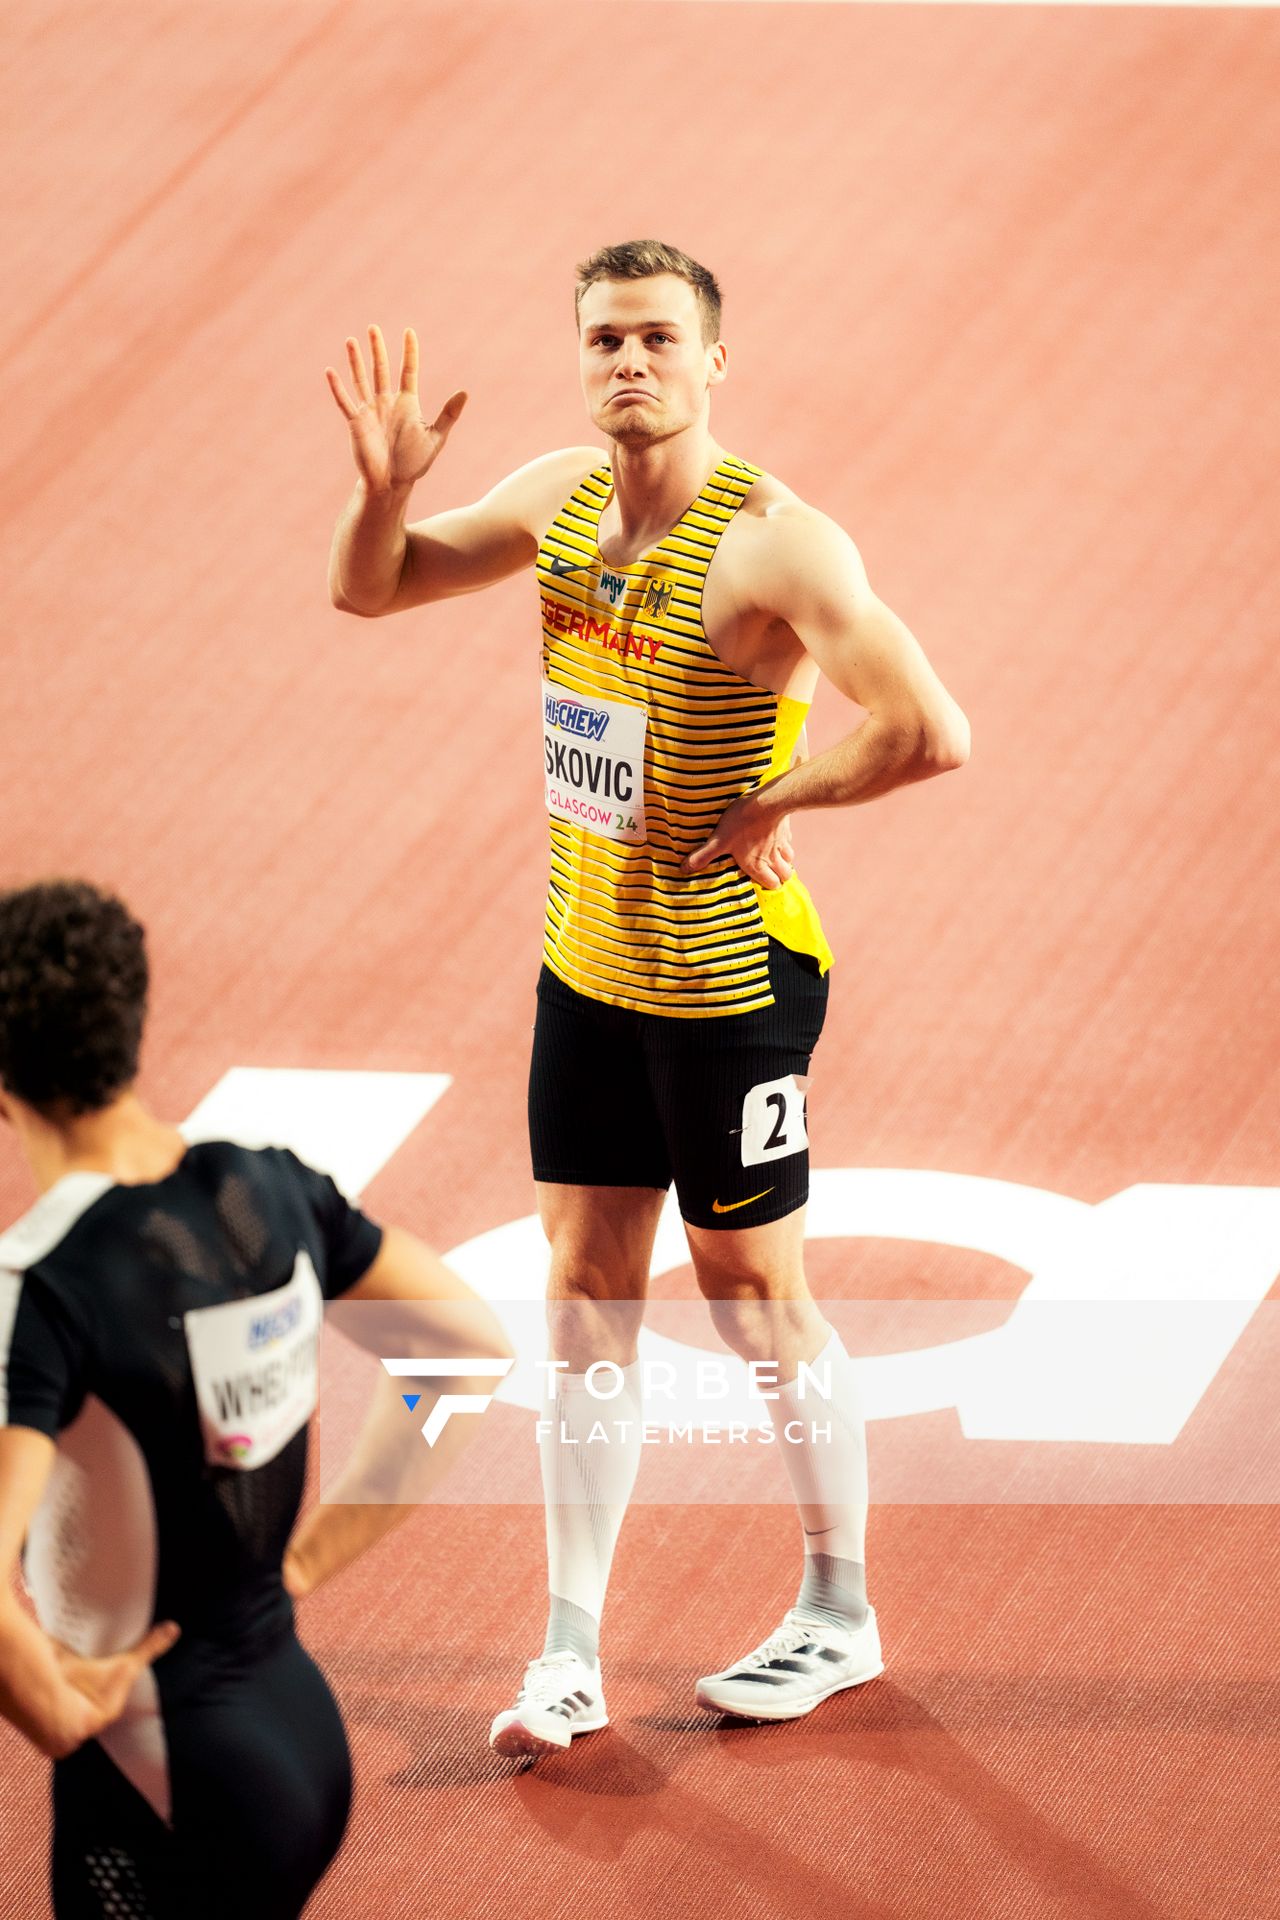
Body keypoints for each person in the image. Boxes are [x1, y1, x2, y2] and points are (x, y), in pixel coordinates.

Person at [326, 238, 970, 1754]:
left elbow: (931, 729)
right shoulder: (557, 499)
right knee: (585, 1297)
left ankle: (839, 1609)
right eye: (607, 338)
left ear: (714, 361)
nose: (632, 363)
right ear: (581, 356)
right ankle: (567, 1656)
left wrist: (773, 799)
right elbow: (374, 591)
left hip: (732, 980)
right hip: (589, 966)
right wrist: (384, 487)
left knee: (754, 1295)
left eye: (660, 340)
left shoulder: (775, 546)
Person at [0, 879, 510, 1915]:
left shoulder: (42, 1283)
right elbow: (463, 1353)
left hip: (158, 1767)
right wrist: (303, 1563)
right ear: (130, 1028)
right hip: (295, 1730)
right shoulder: (269, 1188)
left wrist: (51, 1711)